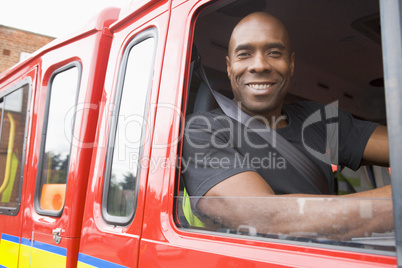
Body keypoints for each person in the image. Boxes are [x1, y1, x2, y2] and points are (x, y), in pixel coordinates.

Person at [181, 12, 393, 240]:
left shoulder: (320, 121)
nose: (260, 65)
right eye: (244, 54)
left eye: (274, 53)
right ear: (229, 67)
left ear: (290, 64)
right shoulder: (202, 132)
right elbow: (264, 217)